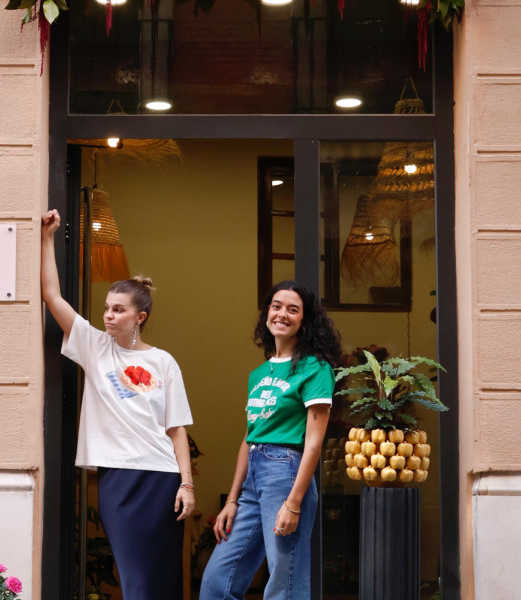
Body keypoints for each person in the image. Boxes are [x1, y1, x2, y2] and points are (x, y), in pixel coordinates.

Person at [41, 209, 195, 600]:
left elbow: (177, 428)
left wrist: (187, 485)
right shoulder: (95, 347)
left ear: (139, 317)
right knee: (135, 578)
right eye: (107, 308)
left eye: (119, 310)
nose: (108, 315)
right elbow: (52, 296)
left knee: (162, 580)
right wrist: (46, 239)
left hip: (162, 477)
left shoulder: (163, 361)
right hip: (118, 478)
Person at [200, 280, 341, 600]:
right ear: (267, 313)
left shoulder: (315, 368)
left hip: (286, 473)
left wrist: (293, 502)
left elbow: (314, 444)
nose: (282, 314)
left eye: (293, 309)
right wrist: (232, 500)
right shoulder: (258, 374)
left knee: (284, 581)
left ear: (304, 321)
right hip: (253, 474)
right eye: (276, 306)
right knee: (216, 582)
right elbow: (249, 438)